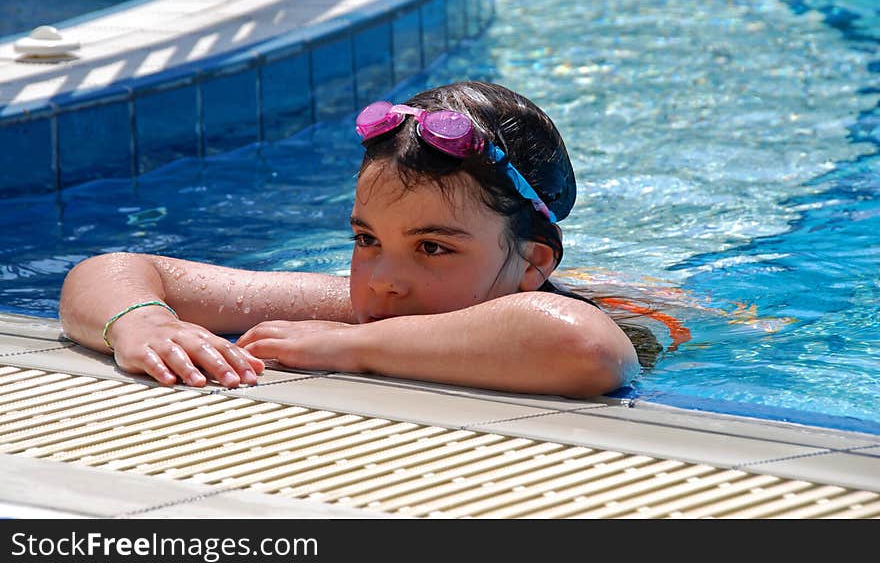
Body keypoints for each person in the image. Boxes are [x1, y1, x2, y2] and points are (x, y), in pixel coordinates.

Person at [59, 81, 651, 399]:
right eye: (367, 239)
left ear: (532, 261)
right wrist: (141, 323)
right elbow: (117, 267)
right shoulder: (356, 303)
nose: (384, 280)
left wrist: (353, 348)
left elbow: (585, 350)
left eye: (433, 247)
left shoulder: (564, 316)